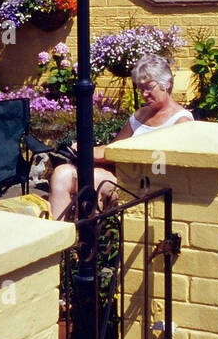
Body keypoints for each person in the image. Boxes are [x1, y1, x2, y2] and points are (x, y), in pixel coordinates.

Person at [48, 53, 193, 220]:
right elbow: (115, 147)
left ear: (166, 84)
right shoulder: (141, 114)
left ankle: (89, 240)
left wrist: (100, 155)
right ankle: (61, 238)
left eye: (149, 87)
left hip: (147, 184)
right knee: (61, 174)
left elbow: (165, 165)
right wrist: (86, 150)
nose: (144, 94)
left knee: (86, 178)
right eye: (140, 88)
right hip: (122, 176)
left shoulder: (181, 121)